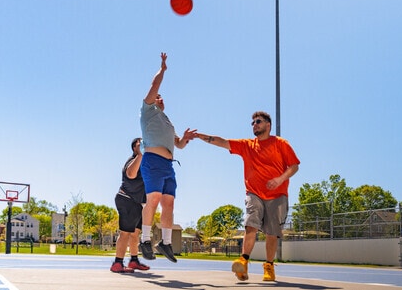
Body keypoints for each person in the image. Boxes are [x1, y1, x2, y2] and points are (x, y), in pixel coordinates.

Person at [194, 111, 300, 282]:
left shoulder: (280, 143)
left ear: (268, 125)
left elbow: (294, 166)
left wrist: (280, 179)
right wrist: (202, 137)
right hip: (254, 193)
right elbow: (223, 142)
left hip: (278, 195)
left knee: (271, 234)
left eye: (258, 121)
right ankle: (243, 261)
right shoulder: (247, 145)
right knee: (250, 225)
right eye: (252, 123)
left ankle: (269, 266)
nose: (254, 125)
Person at [139, 53, 195, 263]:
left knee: (169, 204)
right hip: (152, 161)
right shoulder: (147, 112)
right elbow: (154, 85)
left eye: (161, 97)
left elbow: (178, 144)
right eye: (157, 96)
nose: (159, 98)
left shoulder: (167, 122)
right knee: (153, 199)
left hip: (168, 165)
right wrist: (162, 70)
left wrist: (186, 139)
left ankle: (165, 243)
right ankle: (145, 240)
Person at [110, 137, 151, 273]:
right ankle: (117, 263)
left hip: (137, 203)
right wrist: (140, 154)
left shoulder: (144, 162)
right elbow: (130, 174)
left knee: (135, 234)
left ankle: (134, 261)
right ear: (135, 147)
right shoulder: (134, 160)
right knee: (125, 233)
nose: (144, 144)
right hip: (126, 200)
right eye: (140, 143)